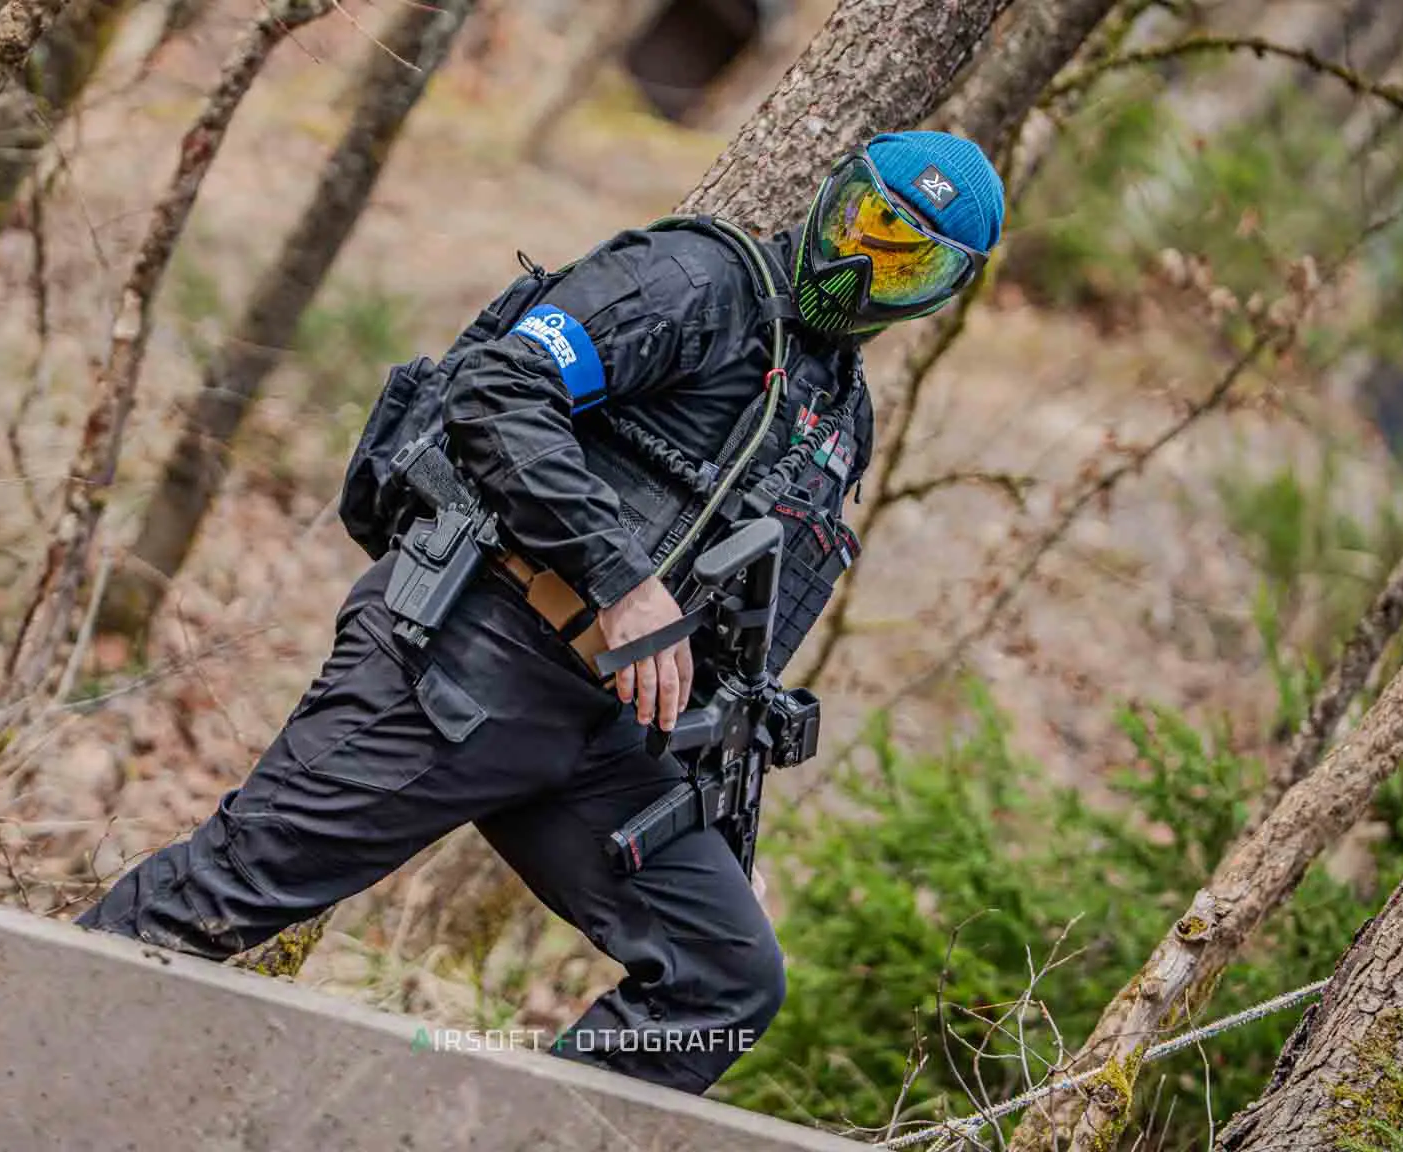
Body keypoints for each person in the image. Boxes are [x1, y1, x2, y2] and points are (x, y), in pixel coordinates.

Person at [78, 130, 1006, 1094]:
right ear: (832, 195)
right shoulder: (695, 280)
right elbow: (501, 386)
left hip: (614, 741)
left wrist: (723, 828)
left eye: (906, 259)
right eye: (866, 223)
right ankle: (4, 1062)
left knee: (724, 983)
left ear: (940, 291)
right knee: (229, 888)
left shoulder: (840, 418)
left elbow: (745, 637)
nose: (862, 264)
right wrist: (620, 577)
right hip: (470, 652)